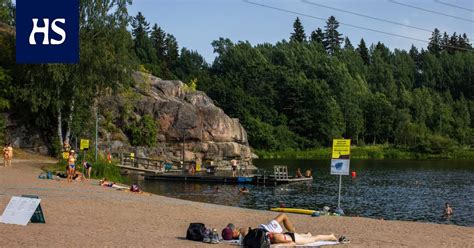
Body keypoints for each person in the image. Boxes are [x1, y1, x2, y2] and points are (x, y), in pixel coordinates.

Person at [239, 213, 348, 245]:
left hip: (291, 236)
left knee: (315, 238)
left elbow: (291, 242)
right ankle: (307, 234)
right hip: (286, 234)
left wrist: (284, 243)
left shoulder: (273, 237)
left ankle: (331, 236)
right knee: (306, 237)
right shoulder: (260, 234)